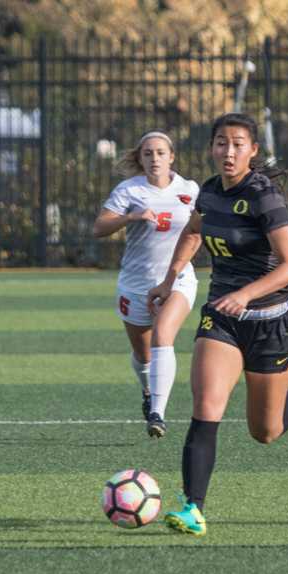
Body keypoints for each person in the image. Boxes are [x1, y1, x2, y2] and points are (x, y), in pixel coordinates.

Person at [147, 112, 288, 537]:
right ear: (211, 147)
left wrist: (247, 294)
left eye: (236, 144)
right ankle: (193, 507)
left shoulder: (265, 197)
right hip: (222, 320)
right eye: (220, 143)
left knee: (264, 432)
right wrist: (168, 279)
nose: (227, 152)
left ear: (252, 151)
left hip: (270, 322)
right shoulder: (209, 192)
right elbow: (194, 231)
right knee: (205, 407)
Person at [93, 131, 201, 438]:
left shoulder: (190, 189)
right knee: (144, 356)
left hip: (178, 279)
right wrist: (131, 217)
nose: (155, 159)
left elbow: (199, 231)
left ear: (172, 157)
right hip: (135, 283)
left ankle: (158, 413)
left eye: (160, 153)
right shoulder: (129, 190)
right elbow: (99, 227)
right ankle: (147, 392)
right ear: (140, 159)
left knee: (163, 336)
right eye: (148, 154)